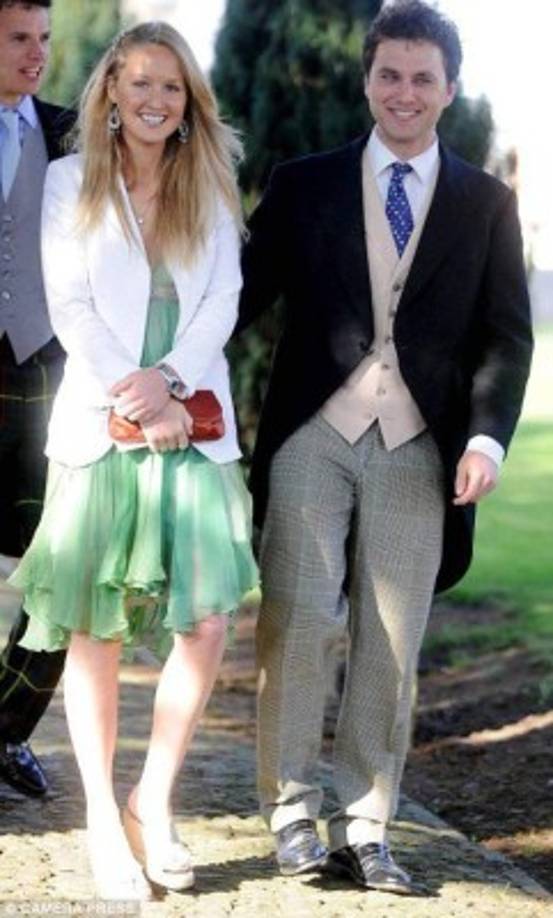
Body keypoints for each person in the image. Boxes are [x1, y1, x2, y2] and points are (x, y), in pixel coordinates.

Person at [236, 0, 533, 896]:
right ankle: (290, 812)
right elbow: (239, 301)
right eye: (389, 74)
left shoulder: (487, 204)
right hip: (312, 432)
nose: (404, 93)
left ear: (449, 90)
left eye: (422, 79)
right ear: (368, 79)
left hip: (420, 446)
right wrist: (175, 385)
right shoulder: (304, 183)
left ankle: (365, 826)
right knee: (296, 616)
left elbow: (506, 335)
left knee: (390, 641)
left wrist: (485, 435)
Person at [9, 20, 257, 900]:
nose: (155, 100)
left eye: (172, 88)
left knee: (207, 625)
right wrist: (131, 390)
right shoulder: (71, 181)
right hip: (100, 423)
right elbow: (67, 301)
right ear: (112, 89)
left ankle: (151, 802)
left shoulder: (212, 183)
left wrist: (169, 382)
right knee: (95, 626)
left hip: (191, 420)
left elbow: (223, 298)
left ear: (189, 104)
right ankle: (97, 825)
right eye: (140, 83)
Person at [0, 0, 73, 797]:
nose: (38, 55)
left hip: (52, 372)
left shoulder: (72, 133)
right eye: (20, 38)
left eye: (44, 39)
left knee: (63, 561)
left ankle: (6, 726)